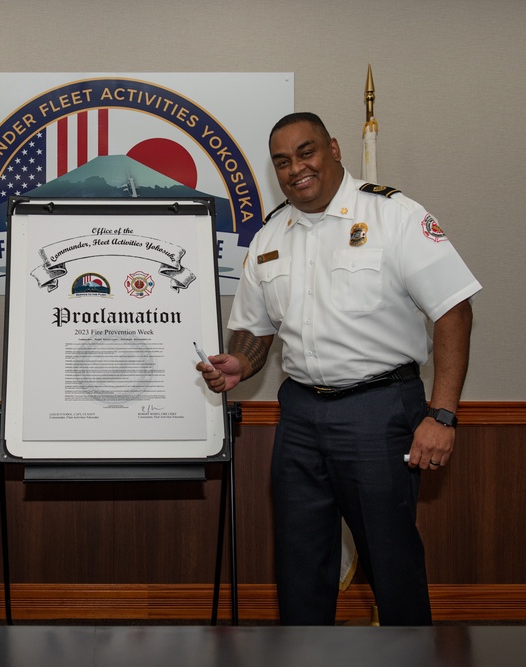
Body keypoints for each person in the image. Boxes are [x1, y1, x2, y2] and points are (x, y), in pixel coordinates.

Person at [197, 112, 480, 626]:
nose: (295, 169)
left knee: (390, 564)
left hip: (380, 412)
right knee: (300, 565)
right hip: (301, 415)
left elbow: (454, 310)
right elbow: (255, 331)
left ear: (334, 149)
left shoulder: (393, 215)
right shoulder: (268, 236)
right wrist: (238, 362)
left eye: (305, 153)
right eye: (282, 162)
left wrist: (441, 416)